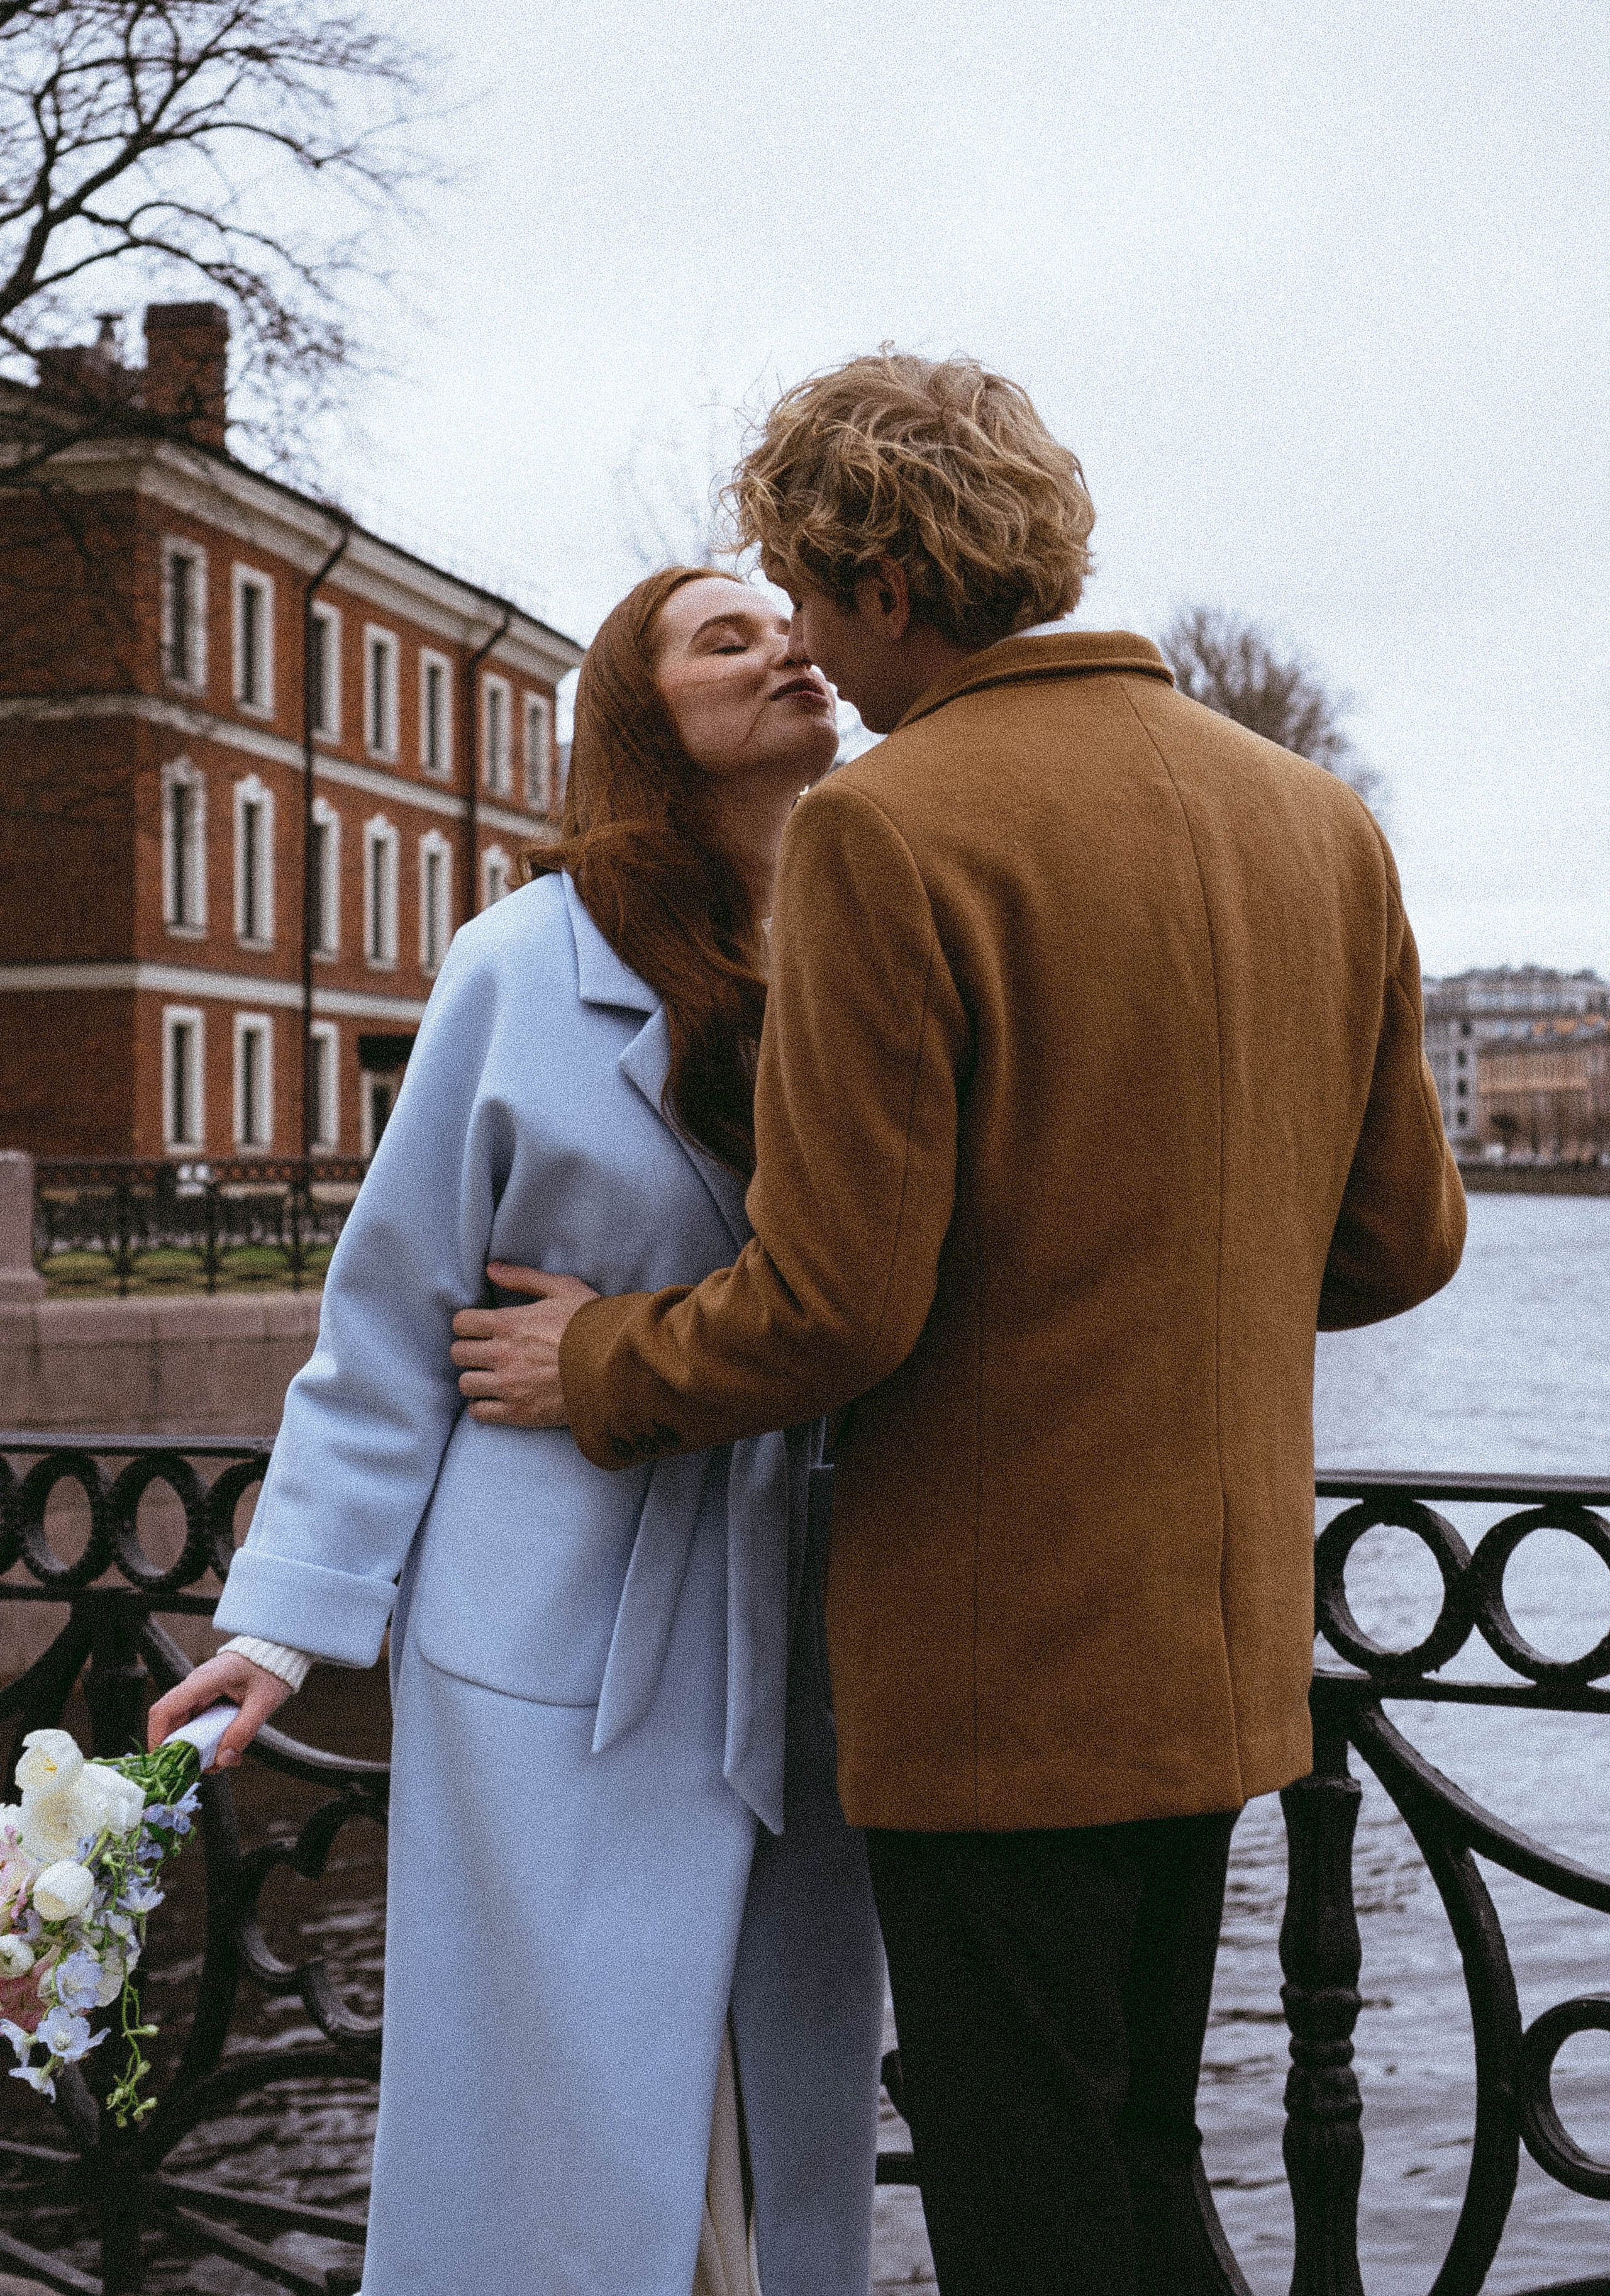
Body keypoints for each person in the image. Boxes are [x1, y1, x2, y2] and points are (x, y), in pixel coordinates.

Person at [462, 352, 1468, 2296]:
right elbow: (1405, 1240)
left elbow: (837, 1306)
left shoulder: (891, 830)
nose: (817, 653)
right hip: (1224, 1656)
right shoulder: (1315, 820)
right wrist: (1178, 1273)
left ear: (892, 591)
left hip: (999, 1680)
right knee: (1142, 2151)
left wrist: (598, 1361)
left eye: (815, 600)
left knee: (1031, 2210)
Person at [147, 567, 886, 2296]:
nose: (787, 646)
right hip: (551, 1609)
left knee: (784, 2109)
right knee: (567, 2121)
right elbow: (393, 1315)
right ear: (642, 720)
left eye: (792, 620)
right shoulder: (522, 960)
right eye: (726, 635)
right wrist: (284, 1615)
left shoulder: (877, 940)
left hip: (807, 1600)